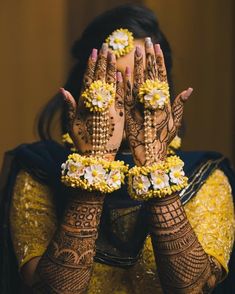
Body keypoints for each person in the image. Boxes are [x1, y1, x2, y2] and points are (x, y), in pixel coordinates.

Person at [0, 4, 234, 294]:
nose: (126, 99)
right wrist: (95, 164)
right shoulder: (38, 171)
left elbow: (194, 288)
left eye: (140, 86)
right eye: (112, 83)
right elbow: (54, 289)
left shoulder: (204, 177)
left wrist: (153, 165)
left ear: (163, 92)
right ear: (86, 89)